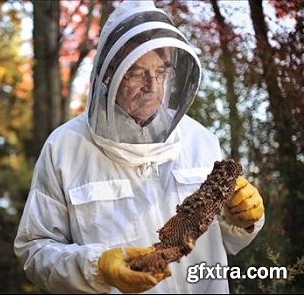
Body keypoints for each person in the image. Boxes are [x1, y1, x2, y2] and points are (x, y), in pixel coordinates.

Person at [14, 1, 265, 293]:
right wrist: (97, 267)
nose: (152, 86)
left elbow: (226, 241)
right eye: (136, 72)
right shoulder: (65, 148)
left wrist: (244, 221)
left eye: (161, 71)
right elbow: (35, 252)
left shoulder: (201, 140)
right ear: (109, 75)